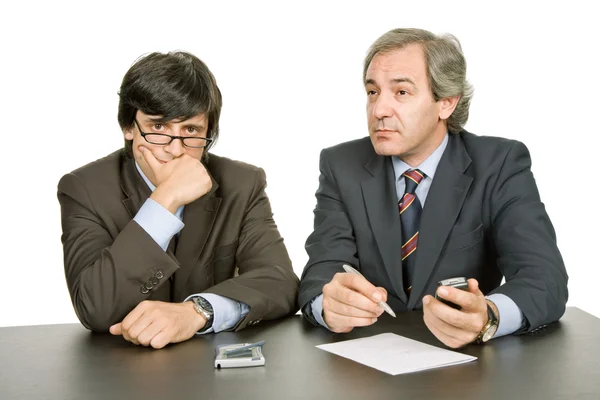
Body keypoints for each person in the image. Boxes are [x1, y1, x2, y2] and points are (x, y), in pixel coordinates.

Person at [298, 28, 568, 348]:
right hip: (364, 364)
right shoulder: (340, 164)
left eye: (401, 92)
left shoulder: (500, 164)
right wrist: (328, 306)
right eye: (372, 92)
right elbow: (321, 271)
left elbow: (544, 278)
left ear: (447, 103)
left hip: (468, 368)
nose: (379, 110)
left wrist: (489, 317)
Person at [58, 51, 299, 349]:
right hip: (119, 373)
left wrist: (197, 311)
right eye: (158, 127)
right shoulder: (85, 188)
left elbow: (280, 282)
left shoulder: (242, 183)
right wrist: (165, 199)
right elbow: (95, 309)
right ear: (129, 127)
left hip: (212, 373)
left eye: (190, 130)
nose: (174, 150)